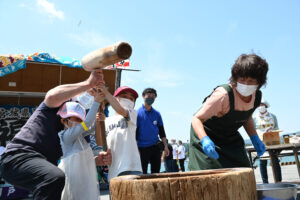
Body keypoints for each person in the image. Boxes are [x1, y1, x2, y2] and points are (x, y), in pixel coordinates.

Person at [0, 70, 112, 200]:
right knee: (54, 177)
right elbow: (52, 96)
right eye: (92, 91)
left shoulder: (79, 124)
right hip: (18, 156)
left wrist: (95, 161)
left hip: (46, 165)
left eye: (97, 95)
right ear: (63, 119)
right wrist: (88, 84)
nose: (93, 95)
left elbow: (80, 151)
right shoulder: (60, 104)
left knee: (54, 180)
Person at [189, 53, 268, 170]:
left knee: (244, 171)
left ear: (259, 82)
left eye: (251, 81)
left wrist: (254, 137)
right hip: (207, 135)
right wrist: (204, 140)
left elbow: (246, 117)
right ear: (236, 78)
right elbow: (196, 119)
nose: (246, 84)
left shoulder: (256, 96)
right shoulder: (223, 95)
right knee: (211, 175)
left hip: (230, 137)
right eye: (242, 79)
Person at [57, 93, 104, 199]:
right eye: (75, 118)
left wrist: (98, 116)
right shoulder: (66, 136)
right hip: (74, 182)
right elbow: (87, 124)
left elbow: (91, 127)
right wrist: (96, 102)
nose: (78, 122)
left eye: (80, 119)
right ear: (64, 120)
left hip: (87, 181)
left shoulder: (81, 136)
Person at [97, 86, 143, 180]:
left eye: (131, 99)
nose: (128, 100)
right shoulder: (106, 120)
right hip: (113, 171)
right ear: (116, 99)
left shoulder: (133, 114)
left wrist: (105, 92)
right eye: (124, 96)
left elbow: (121, 110)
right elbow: (99, 142)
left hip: (132, 168)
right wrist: (99, 122)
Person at [136, 88, 169, 174]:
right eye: (149, 96)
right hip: (142, 148)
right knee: (142, 173)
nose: (151, 98)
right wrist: (136, 149)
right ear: (143, 96)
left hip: (155, 147)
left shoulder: (157, 114)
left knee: (156, 173)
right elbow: (134, 133)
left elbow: (162, 131)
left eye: (153, 97)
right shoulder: (137, 113)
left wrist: (165, 146)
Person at [253, 98, 282, 183]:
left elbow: (276, 128)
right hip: (261, 141)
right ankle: (265, 182)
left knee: (275, 160)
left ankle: (278, 180)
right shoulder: (254, 117)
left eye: (262, 105)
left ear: (266, 106)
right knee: (262, 161)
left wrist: (271, 131)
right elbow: (253, 130)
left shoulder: (273, 116)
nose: (261, 107)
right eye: (259, 105)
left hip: (272, 141)